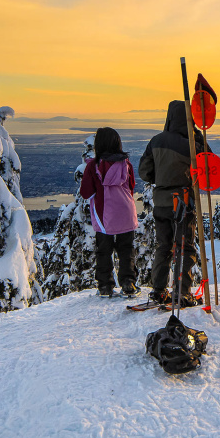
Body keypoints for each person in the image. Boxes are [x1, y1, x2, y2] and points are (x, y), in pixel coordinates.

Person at [138, 100, 207, 307]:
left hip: (160, 202)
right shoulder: (191, 144)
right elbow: (208, 163)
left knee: (164, 246)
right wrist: (198, 137)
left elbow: (144, 172)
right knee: (184, 248)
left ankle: (158, 290)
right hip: (183, 202)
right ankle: (182, 292)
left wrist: (161, 176)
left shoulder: (155, 141)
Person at [79, 127, 139, 297]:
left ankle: (105, 286)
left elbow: (86, 193)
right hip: (126, 211)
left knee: (104, 250)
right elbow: (131, 187)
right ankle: (128, 282)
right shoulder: (126, 164)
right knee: (126, 248)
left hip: (104, 214)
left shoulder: (94, 167)